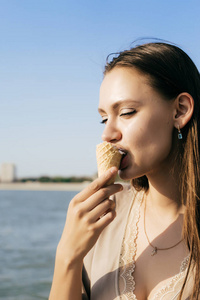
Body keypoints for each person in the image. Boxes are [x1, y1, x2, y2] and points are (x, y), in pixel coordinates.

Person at [49, 41, 200, 300]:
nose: (107, 134)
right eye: (104, 118)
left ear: (180, 110)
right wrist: (67, 256)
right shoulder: (101, 218)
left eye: (127, 112)